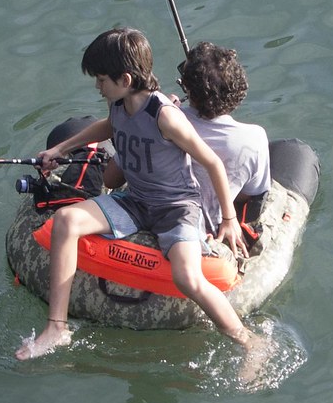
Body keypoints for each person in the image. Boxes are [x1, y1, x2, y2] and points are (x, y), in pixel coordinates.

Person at [15, 27, 257, 361]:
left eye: (101, 80)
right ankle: (57, 327)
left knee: (187, 278)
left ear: (125, 79)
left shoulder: (165, 116)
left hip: (176, 209)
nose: (98, 88)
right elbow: (107, 126)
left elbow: (212, 162)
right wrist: (62, 146)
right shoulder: (119, 105)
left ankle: (248, 343)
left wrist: (229, 219)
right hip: (136, 201)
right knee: (66, 220)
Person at [177, 42, 270, 237]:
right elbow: (251, 195)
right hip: (210, 229)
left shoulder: (164, 118)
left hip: (162, 219)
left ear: (188, 88)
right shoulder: (255, 138)